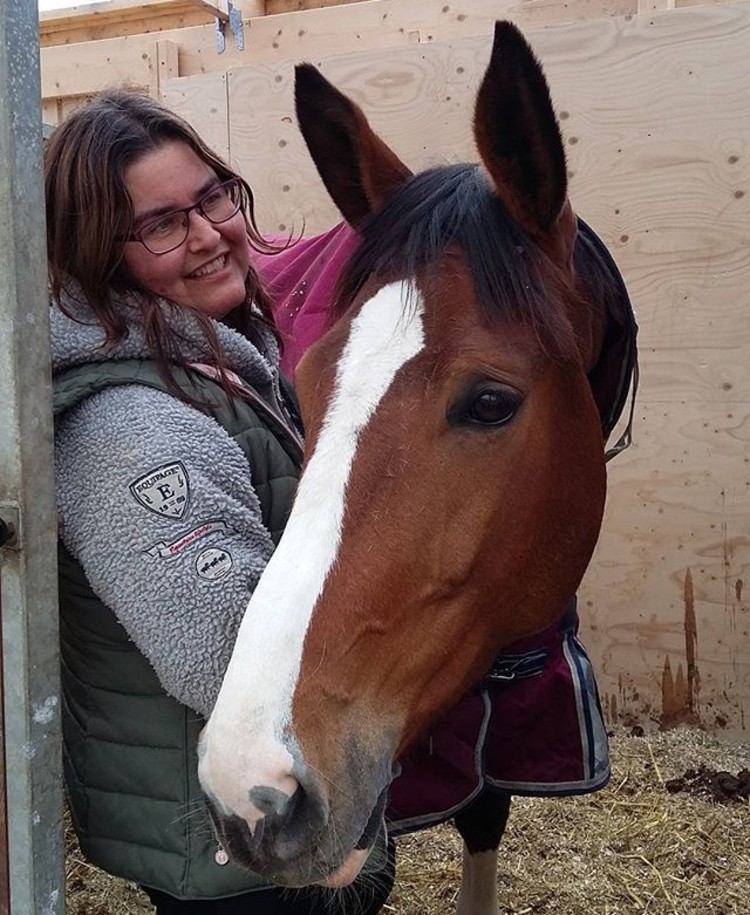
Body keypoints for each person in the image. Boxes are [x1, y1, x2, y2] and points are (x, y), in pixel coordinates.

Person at [46, 89, 395, 915]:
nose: (208, 233)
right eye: (163, 224)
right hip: (241, 835)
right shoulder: (133, 426)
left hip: (269, 813)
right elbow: (225, 657)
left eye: (212, 198)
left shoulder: (219, 354)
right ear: (98, 254)